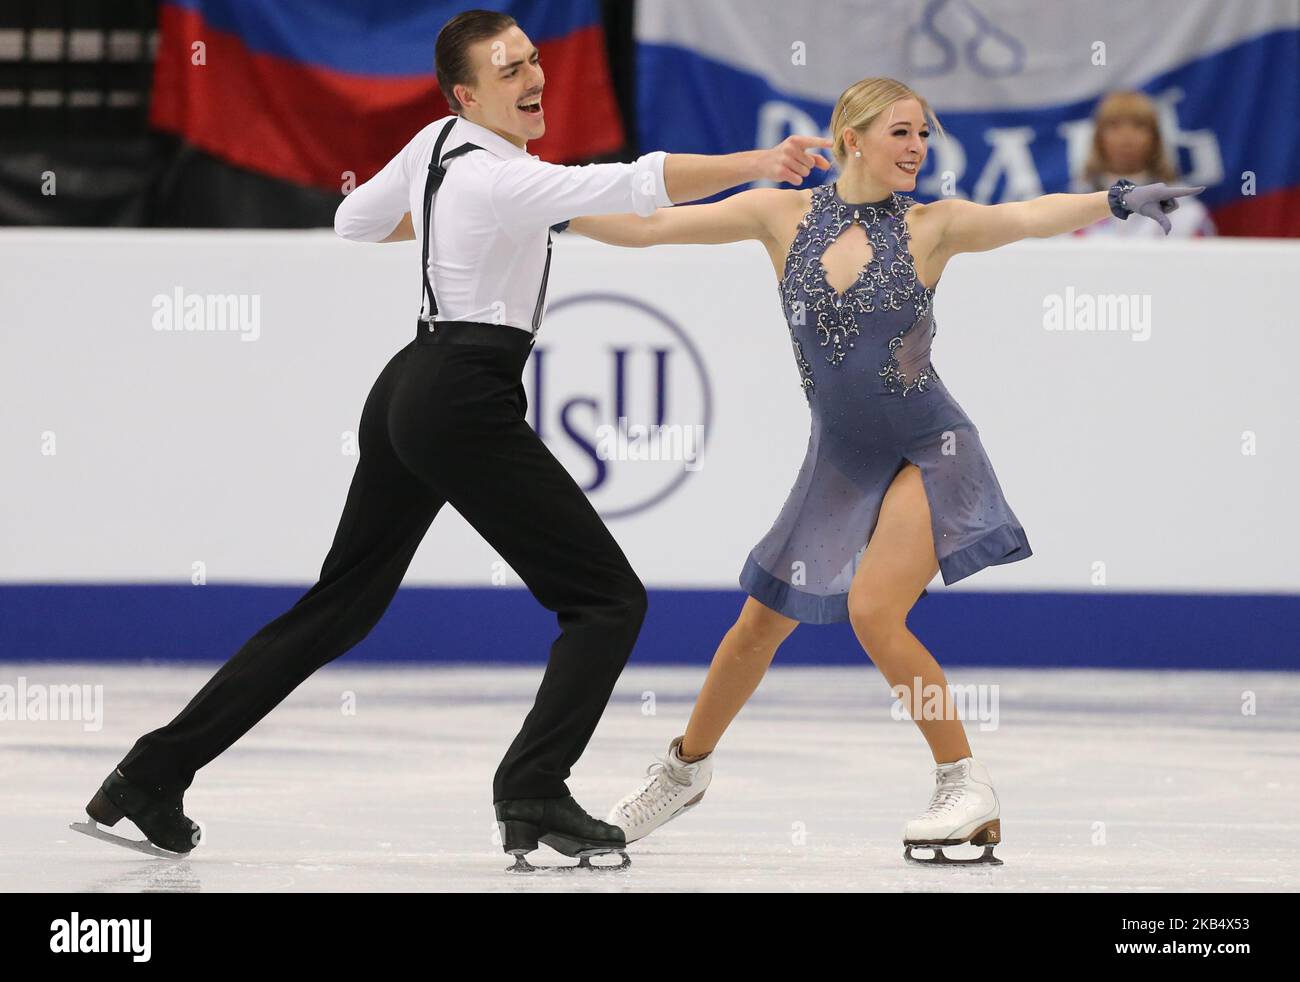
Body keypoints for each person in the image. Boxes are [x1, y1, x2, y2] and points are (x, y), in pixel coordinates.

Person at [75, 8, 831, 872]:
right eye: (508, 72)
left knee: (340, 607)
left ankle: (152, 773)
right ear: (468, 94)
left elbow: (355, 222)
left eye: (533, 60)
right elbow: (637, 183)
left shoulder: (438, 145)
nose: (533, 77)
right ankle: (535, 788)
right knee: (607, 600)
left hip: (413, 382)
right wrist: (757, 163)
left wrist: (448, 229)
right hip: (462, 395)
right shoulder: (507, 180)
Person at [567, 77, 1201, 866]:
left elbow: (1025, 216)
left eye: (925, 135)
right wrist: (547, 209)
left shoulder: (934, 226)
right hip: (841, 457)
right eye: (902, 132)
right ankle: (682, 773)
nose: (918, 149)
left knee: (874, 610)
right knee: (757, 625)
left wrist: (1114, 199)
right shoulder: (779, 215)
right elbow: (654, 227)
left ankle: (963, 782)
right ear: (852, 135)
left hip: (932, 448)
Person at [1074, 90, 1215, 239]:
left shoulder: (1185, 210)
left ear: (1155, 139)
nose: (1126, 137)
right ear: (1098, 138)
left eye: (1139, 126)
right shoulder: (1074, 206)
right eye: (1114, 126)